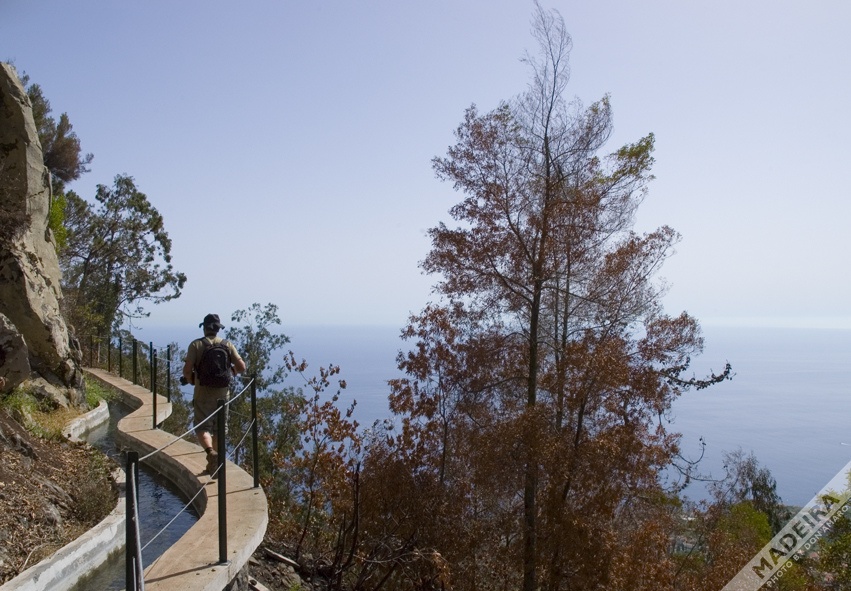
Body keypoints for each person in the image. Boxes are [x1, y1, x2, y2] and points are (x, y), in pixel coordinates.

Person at [182, 313, 245, 476]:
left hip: (202, 392)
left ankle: (211, 453)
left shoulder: (196, 345)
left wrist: (190, 380)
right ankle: (216, 467)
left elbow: (187, 370)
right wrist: (232, 371)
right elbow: (242, 366)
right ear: (218, 329)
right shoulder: (227, 344)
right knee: (219, 429)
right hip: (223, 393)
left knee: (202, 427)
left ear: (204, 328)